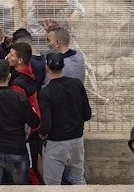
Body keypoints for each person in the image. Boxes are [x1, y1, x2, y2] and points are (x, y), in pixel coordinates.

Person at [39, 51, 92, 185]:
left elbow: (47, 125)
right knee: (78, 178)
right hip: (77, 140)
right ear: (63, 66)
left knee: (53, 183)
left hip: (56, 143)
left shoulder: (46, 92)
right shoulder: (77, 84)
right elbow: (87, 114)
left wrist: (42, 134)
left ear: (47, 68)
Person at [7, 41, 43, 183]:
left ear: (20, 60)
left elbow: (18, 110)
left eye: (11, 55)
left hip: (27, 133)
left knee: (29, 171)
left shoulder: (18, 85)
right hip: (34, 130)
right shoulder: (29, 73)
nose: (8, 57)